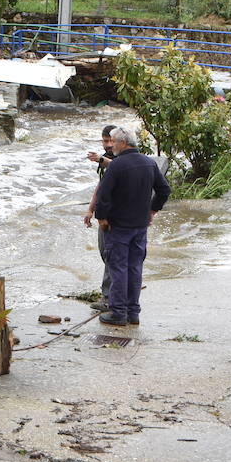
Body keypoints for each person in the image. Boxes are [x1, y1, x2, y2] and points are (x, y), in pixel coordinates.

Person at [91, 125, 171, 326]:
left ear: (123, 143)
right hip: (140, 226)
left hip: (119, 227)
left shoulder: (117, 165)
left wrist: (101, 218)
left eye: (114, 142)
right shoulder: (148, 163)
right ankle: (133, 312)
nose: (112, 146)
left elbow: (104, 195)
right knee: (135, 268)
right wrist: (152, 210)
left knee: (118, 268)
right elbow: (164, 190)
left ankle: (118, 312)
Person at [83, 125, 117, 311]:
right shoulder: (106, 161)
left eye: (111, 141)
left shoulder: (119, 159)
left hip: (116, 215)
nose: (108, 145)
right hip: (103, 214)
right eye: (105, 141)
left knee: (111, 255)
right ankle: (113, 293)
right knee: (105, 253)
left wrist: (102, 159)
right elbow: (100, 186)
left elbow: (120, 167)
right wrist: (90, 210)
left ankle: (110, 297)